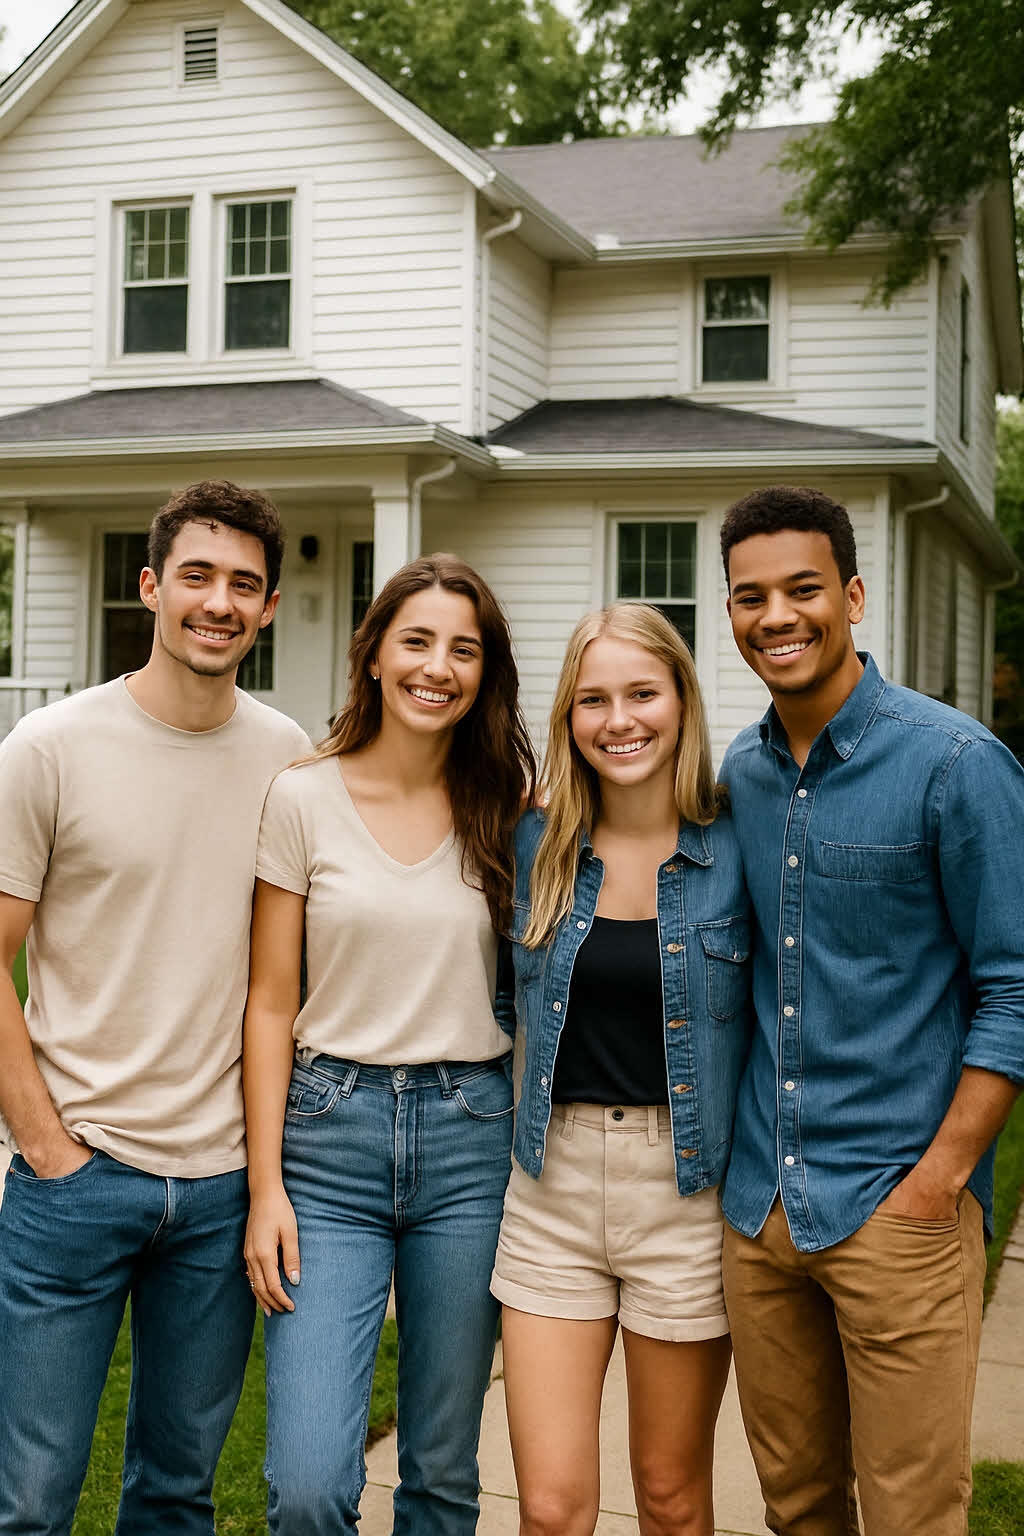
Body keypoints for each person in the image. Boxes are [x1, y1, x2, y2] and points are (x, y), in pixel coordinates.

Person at [0, 480, 310, 1535]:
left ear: (269, 607)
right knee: (30, 1499)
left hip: (221, 1194)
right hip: (75, 1179)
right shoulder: (48, 749)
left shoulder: (289, 759)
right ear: (150, 587)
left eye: (244, 585)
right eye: (197, 577)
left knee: (176, 1496)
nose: (218, 602)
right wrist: (45, 1144)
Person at [717, 485, 1024, 1536]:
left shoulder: (955, 764)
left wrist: (939, 1181)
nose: (776, 616)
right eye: (750, 597)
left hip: (902, 1206)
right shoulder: (740, 777)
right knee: (796, 1507)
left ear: (852, 595)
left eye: (801, 589)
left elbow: (1015, 987)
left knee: (909, 1516)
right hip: (762, 1209)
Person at [242, 553, 536, 1535]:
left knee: (444, 1474)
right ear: (373, 656)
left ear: (484, 672)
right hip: (327, 1147)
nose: (437, 667)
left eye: (464, 649)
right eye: (416, 641)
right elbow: (269, 1001)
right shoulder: (301, 796)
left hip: (470, 1142)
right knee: (313, 1484)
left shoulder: (508, 807)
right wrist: (266, 1186)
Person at [490, 602, 751, 1536]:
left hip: (685, 1195)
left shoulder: (735, 848)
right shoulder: (535, 846)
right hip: (550, 1191)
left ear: (681, 698)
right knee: (554, 1510)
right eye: (593, 700)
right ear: (568, 718)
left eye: (643, 692)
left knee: (671, 1500)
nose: (620, 720)